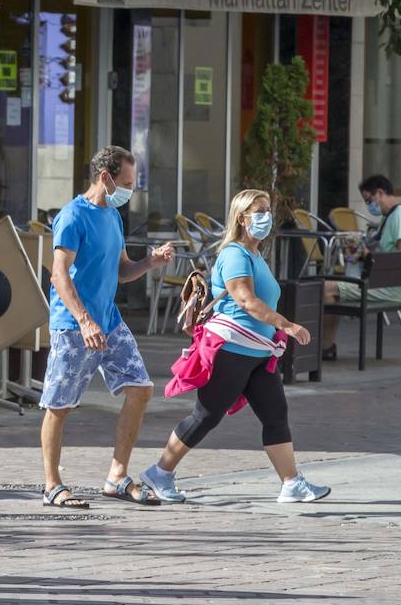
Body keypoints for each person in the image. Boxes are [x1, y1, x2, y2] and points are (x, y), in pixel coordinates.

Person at [140, 189, 331, 504]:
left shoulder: (254, 254)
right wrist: (287, 325)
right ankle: (160, 472)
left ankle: (291, 483)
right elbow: (246, 301)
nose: (266, 217)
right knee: (207, 415)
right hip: (232, 350)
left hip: (258, 353)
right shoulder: (234, 254)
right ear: (242, 219)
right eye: (259, 212)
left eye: (268, 210)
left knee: (275, 414)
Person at [40, 145, 176, 510]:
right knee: (60, 404)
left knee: (142, 389)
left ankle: (117, 477)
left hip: (109, 321)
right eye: (127, 183)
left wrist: (150, 262)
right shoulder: (72, 217)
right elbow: (58, 274)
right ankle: (52, 485)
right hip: (74, 324)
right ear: (105, 177)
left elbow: (122, 270)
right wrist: (84, 321)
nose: (130, 191)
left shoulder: (112, 216)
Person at [320, 174, 401, 360]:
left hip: (389, 288)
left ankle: (323, 346)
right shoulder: (390, 217)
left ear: (380, 193)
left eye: (369, 200)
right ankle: (326, 346)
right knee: (329, 290)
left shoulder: (399, 217)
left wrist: (369, 256)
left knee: (326, 288)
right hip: (384, 283)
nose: (369, 206)